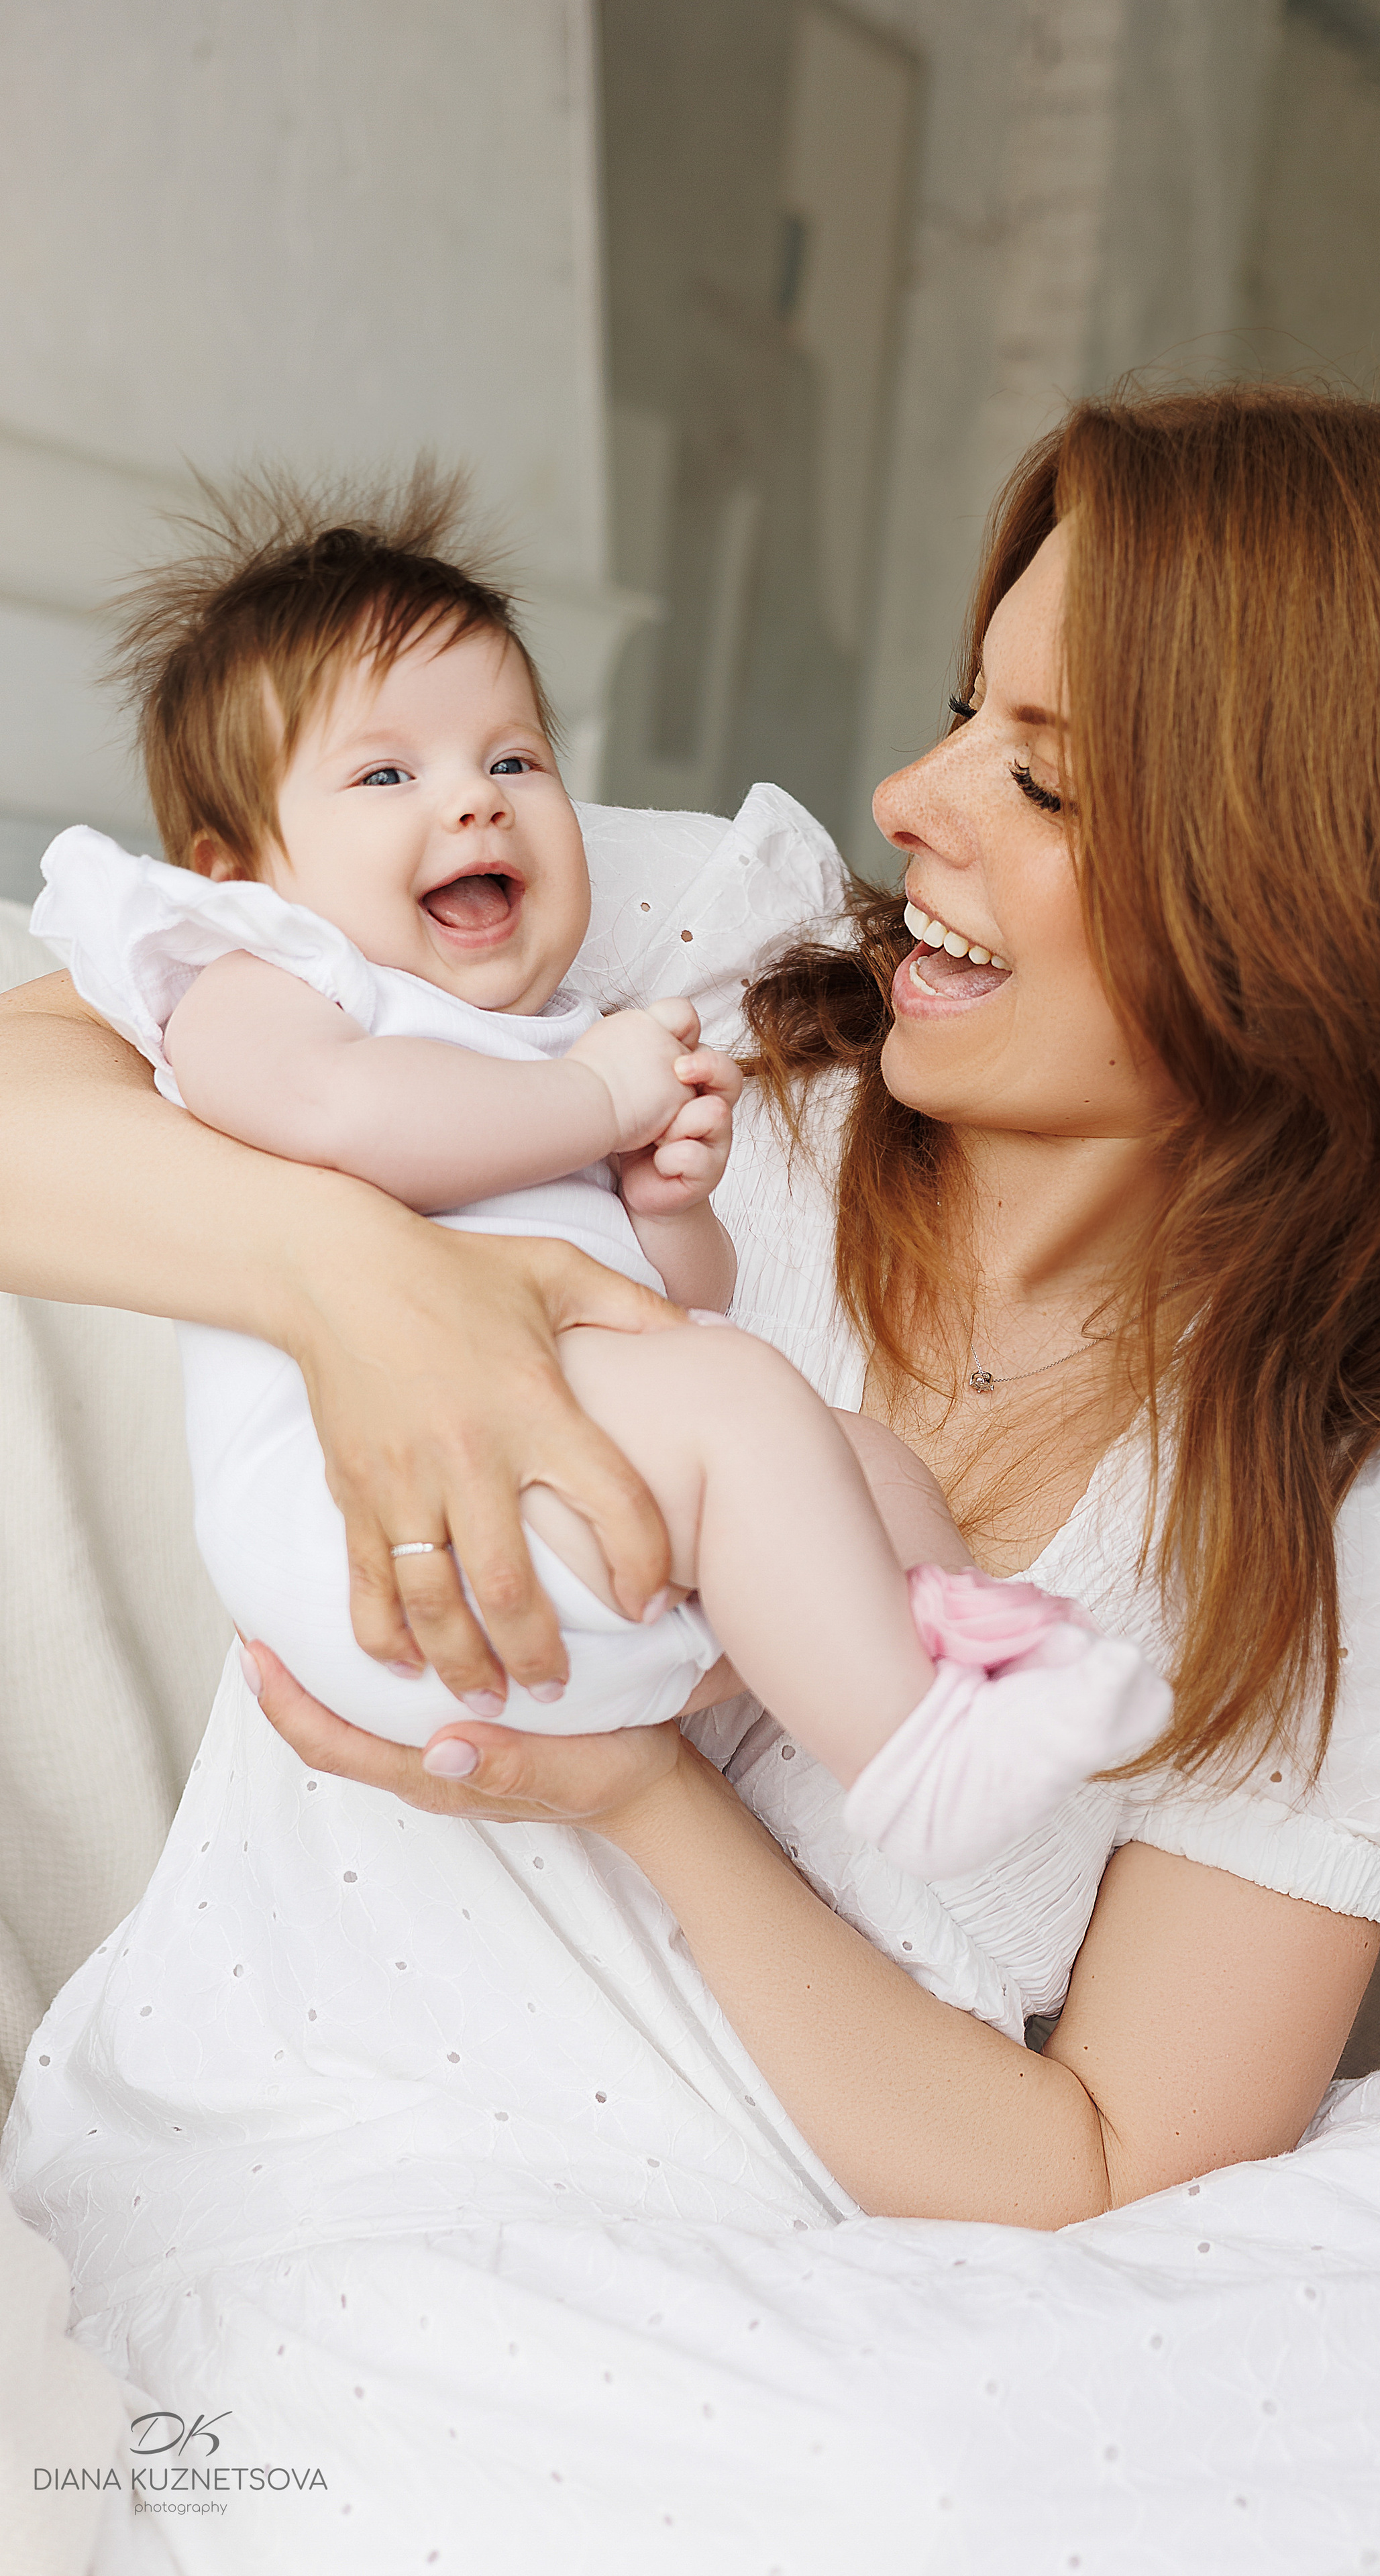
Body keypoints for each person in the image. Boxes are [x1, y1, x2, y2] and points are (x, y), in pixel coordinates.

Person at [1, 382, 1380, 2570]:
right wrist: (358, 1272)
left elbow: (1097, 2175)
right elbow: (79, 1054)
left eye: (1046, 771)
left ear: (1331, 918)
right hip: (350, 2142)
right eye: (957, 711)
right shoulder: (699, 979)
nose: (913, 797)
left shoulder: (1373, 1514)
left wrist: (638, 1800)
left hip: (835, 2254)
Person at [28, 478, 1168, 1881]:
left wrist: (663, 1205)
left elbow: (663, 1311)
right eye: (387, 777)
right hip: (381, 1538)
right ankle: (912, 1761)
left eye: (513, 762)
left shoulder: (551, 1026)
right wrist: (583, 1102)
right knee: (747, 1405)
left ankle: (952, 1652)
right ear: (237, 869)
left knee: (845, 1450)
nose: (472, 806)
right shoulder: (265, 978)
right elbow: (340, 1116)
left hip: (570, 1510)